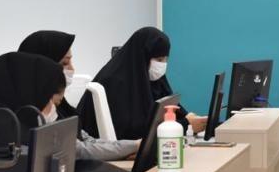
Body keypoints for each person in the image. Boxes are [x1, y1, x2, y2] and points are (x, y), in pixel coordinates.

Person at [18, 30, 140, 161]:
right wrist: (134, 146)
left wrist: (130, 148)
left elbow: (87, 140)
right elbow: (78, 150)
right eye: (65, 63)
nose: (72, 69)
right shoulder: (27, 112)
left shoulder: (62, 107)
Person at [77, 27, 206, 140]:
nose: (162, 65)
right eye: (159, 59)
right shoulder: (114, 82)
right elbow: (132, 132)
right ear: (142, 57)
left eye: (165, 60)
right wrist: (185, 125)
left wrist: (189, 118)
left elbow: (168, 107)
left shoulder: (150, 79)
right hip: (107, 153)